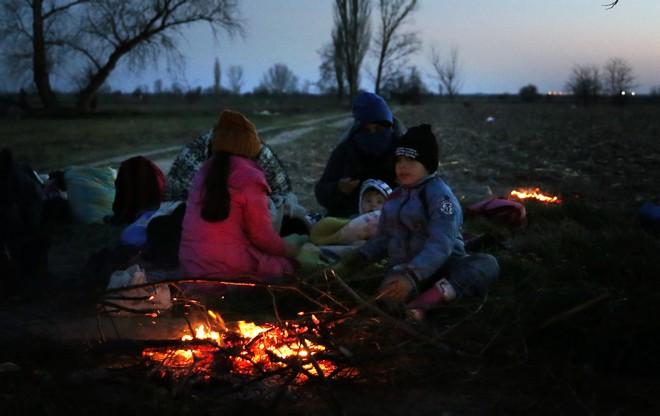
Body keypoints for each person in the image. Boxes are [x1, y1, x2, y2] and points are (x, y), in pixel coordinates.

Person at [343, 124, 500, 320]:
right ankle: (415, 311)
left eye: (411, 160)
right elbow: (384, 237)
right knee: (385, 298)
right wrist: (358, 259)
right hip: (403, 272)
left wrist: (413, 276)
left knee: (486, 264)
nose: (402, 166)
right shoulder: (394, 199)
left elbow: (441, 243)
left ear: (427, 164)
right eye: (399, 160)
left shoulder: (439, 197)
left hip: (445, 269)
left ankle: (429, 302)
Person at [178, 110, 307, 295]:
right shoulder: (249, 176)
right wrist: (289, 250)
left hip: (191, 267)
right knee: (289, 266)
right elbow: (261, 236)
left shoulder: (203, 173)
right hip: (228, 272)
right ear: (250, 147)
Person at [165, 120, 307, 234]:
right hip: (197, 211)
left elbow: (281, 196)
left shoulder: (261, 155)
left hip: (256, 211)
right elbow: (181, 198)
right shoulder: (196, 155)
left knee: (292, 226)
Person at [314, 91, 406, 218]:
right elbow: (321, 193)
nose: (373, 135)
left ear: (389, 127)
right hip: (350, 220)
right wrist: (339, 189)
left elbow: (428, 190)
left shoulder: (404, 152)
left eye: (379, 129)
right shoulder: (346, 151)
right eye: (366, 130)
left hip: (396, 220)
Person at [309, 179, 392, 246]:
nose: (373, 205)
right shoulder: (354, 220)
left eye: (379, 202)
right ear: (360, 203)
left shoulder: (388, 225)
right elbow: (346, 233)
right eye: (368, 200)